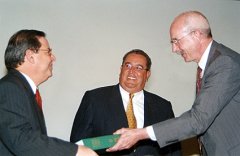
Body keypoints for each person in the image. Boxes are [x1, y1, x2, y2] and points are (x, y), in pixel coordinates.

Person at [107, 11, 240, 156]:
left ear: (196, 34)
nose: (174, 49)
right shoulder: (208, 65)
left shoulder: (224, 63)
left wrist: (140, 134)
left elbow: (197, 119)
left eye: (176, 41)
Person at [0, 29, 98, 156]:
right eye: (48, 52)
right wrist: (77, 151)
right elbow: (22, 140)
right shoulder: (9, 88)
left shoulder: (25, 90)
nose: (53, 58)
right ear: (30, 56)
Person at [70, 49, 181, 155]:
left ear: (147, 74)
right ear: (121, 69)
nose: (131, 72)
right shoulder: (94, 99)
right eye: (127, 66)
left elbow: (173, 150)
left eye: (139, 68)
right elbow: (78, 145)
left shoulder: (163, 107)